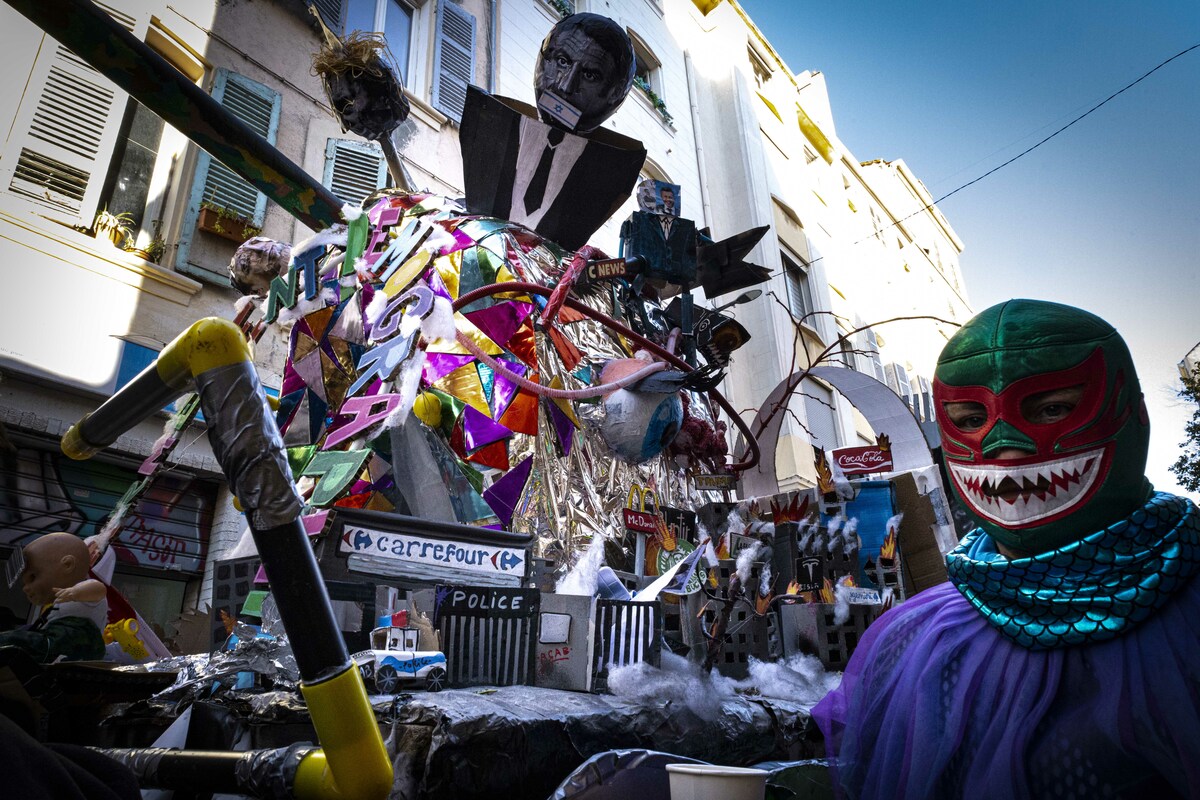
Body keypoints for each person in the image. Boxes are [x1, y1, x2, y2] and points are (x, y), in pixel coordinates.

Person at [812, 299, 1200, 799]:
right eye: (970, 418)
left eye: (1053, 408)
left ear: (1133, 411)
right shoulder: (910, 639)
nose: (1003, 446)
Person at [458, 13, 645, 251]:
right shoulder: (486, 124)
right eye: (562, 61)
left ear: (615, 94)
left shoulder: (612, 173)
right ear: (543, 60)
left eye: (590, 75)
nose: (565, 86)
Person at [0, 532, 107, 662]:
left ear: (67, 565)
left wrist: (75, 592)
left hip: (71, 643)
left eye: (33, 577)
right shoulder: (54, 607)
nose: (26, 588)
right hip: (56, 643)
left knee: (14, 641)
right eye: (25, 583)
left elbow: (99, 589)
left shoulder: (84, 590)